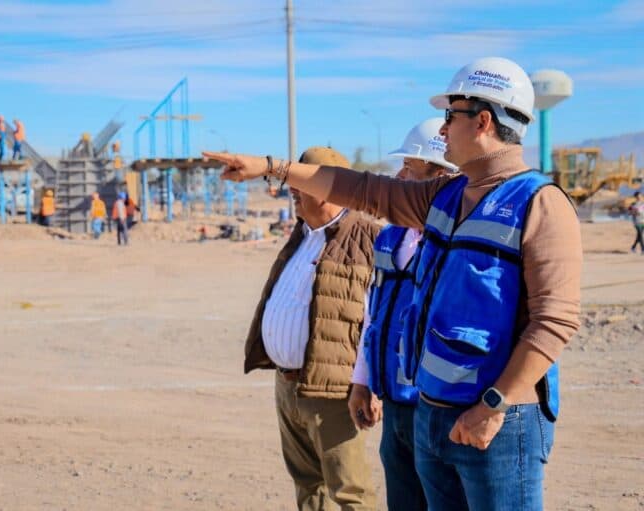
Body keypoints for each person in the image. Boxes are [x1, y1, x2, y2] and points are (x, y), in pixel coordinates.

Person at [206, 57, 582, 511]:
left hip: (498, 423)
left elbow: (554, 322)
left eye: (451, 116)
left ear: (483, 121)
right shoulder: (445, 196)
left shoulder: (539, 204)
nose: (443, 131)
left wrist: (491, 406)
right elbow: (361, 188)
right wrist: (271, 167)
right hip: (433, 412)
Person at [243, 146, 378, 510]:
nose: (293, 190)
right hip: (288, 386)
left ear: (331, 190)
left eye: (302, 183)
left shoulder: (368, 240)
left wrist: (372, 386)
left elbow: (378, 319)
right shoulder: (303, 235)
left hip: (332, 390)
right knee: (308, 486)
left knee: (350, 492)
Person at [348, 118, 457, 511]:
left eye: (410, 167)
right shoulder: (390, 236)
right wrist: (363, 380)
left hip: (435, 407)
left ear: (439, 177)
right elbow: (374, 312)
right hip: (393, 404)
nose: (399, 176)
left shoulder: (456, 242)